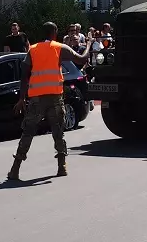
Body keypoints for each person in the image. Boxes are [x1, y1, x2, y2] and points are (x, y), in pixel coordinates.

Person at [8, 22, 89, 181]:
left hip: (37, 98)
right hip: (55, 97)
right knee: (58, 131)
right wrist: (90, 44)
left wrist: (21, 98)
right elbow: (82, 60)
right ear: (55, 32)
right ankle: (62, 166)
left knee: (28, 132)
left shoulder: (33, 49)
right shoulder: (60, 48)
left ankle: (15, 169)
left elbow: (24, 75)